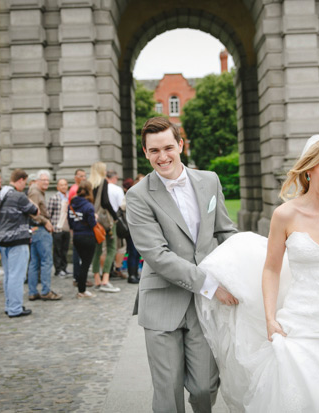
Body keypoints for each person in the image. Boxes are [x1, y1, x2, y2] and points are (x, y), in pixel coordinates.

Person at [194, 135, 319, 412]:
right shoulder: (285, 215)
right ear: (309, 169)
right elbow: (271, 270)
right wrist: (271, 318)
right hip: (302, 323)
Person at [126, 116, 238, 412]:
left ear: (180, 145)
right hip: (163, 301)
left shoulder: (210, 180)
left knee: (205, 387)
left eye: (167, 148)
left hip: (204, 308)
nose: (162, 157)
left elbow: (224, 230)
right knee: (168, 392)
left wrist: (249, 260)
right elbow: (157, 255)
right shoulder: (137, 196)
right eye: (153, 151)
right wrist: (210, 286)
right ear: (145, 152)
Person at [0, 169, 39, 317]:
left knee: (8, 275)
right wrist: (28, 197)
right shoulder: (19, 196)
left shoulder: (1, 194)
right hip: (17, 239)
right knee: (17, 276)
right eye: (24, 182)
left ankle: (9, 305)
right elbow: (35, 211)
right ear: (20, 180)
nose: (24, 185)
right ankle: (15, 308)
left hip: (2, 239)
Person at [27, 170, 62, 301]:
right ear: (37, 181)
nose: (46, 182)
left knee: (34, 262)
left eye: (48, 180)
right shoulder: (35, 192)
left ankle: (32, 291)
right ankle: (46, 291)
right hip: (40, 229)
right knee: (46, 261)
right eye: (44, 180)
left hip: (36, 229)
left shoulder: (35, 191)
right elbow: (33, 212)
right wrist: (46, 221)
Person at [89, 162, 120, 293]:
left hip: (93, 221)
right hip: (105, 221)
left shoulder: (89, 183)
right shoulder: (103, 182)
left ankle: (96, 280)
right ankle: (105, 280)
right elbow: (106, 202)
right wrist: (115, 216)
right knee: (112, 247)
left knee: (97, 250)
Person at [67, 181, 97, 298]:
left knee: (80, 263)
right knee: (85, 263)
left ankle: (80, 287)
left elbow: (70, 223)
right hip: (87, 236)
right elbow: (92, 223)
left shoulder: (71, 205)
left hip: (76, 236)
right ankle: (82, 290)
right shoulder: (88, 206)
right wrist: (95, 218)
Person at [106, 170, 128, 280]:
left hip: (103, 221)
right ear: (114, 178)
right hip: (115, 221)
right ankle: (117, 268)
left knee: (105, 248)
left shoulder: (101, 189)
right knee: (120, 247)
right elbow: (122, 205)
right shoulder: (117, 189)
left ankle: (105, 271)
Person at [48, 178, 70, 277]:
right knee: (57, 249)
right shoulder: (54, 198)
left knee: (65, 249)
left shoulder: (69, 198)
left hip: (67, 227)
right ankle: (58, 269)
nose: (63, 187)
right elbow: (49, 213)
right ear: (57, 187)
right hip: (57, 227)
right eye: (61, 185)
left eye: (65, 185)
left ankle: (64, 268)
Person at [68, 169, 87, 284]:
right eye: (81, 176)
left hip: (78, 224)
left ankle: (79, 276)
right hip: (78, 225)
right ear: (75, 177)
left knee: (79, 252)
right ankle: (77, 277)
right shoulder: (75, 190)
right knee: (77, 253)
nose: (83, 178)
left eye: (84, 176)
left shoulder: (78, 189)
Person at [122, 178, 140, 284]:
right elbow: (122, 206)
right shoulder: (130, 196)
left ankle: (135, 273)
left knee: (137, 253)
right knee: (133, 252)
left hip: (139, 228)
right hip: (131, 228)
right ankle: (132, 275)